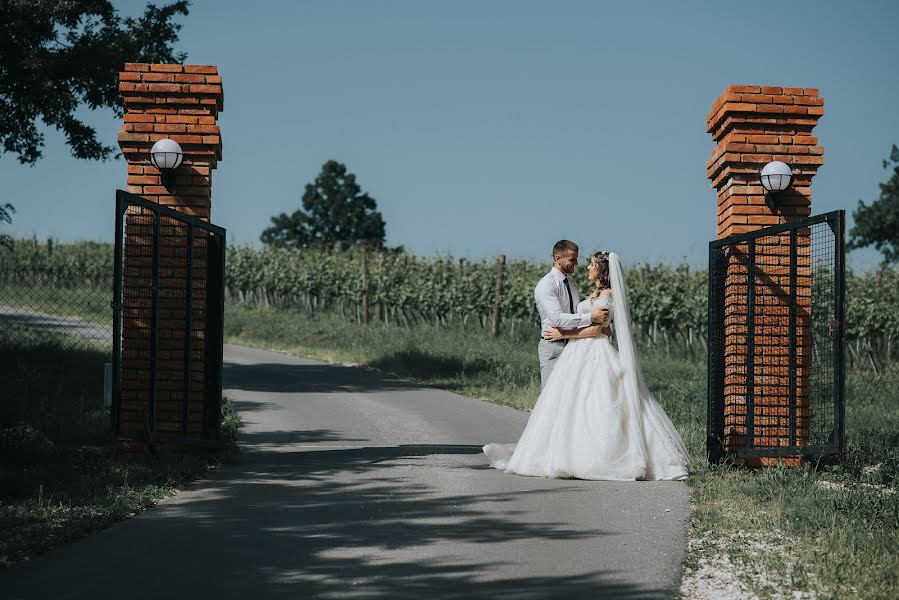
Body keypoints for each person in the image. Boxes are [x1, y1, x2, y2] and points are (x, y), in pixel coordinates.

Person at [483, 251, 692, 481]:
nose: (586, 268)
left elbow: (596, 330)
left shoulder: (608, 296)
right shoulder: (591, 293)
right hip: (577, 352)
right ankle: (565, 451)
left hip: (594, 351)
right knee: (570, 404)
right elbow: (594, 324)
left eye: (591, 264)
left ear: (601, 270)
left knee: (595, 401)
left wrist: (562, 332)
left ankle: (595, 456)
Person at [534, 240, 609, 388]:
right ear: (558, 258)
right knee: (550, 397)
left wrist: (599, 325)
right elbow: (557, 318)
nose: (576, 263)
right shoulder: (546, 285)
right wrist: (591, 317)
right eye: (572, 259)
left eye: (576, 258)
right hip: (554, 346)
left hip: (574, 346)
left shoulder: (572, 288)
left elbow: (575, 315)